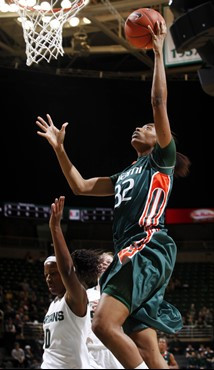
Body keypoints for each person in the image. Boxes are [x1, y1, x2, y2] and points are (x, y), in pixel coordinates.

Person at [36, 20, 191, 369]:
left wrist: (157, 53)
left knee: (103, 324)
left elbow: (157, 101)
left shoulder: (160, 161)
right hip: (130, 251)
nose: (142, 127)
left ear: (162, 139)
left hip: (147, 244)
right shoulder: (124, 173)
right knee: (148, 348)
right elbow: (80, 186)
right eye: (143, 125)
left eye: (149, 127)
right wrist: (60, 149)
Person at [42, 196, 101, 369]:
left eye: (54, 273)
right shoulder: (54, 303)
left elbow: (67, 271)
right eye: (46, 274)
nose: (48, 278)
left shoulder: (76, 298)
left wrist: (55, 228)